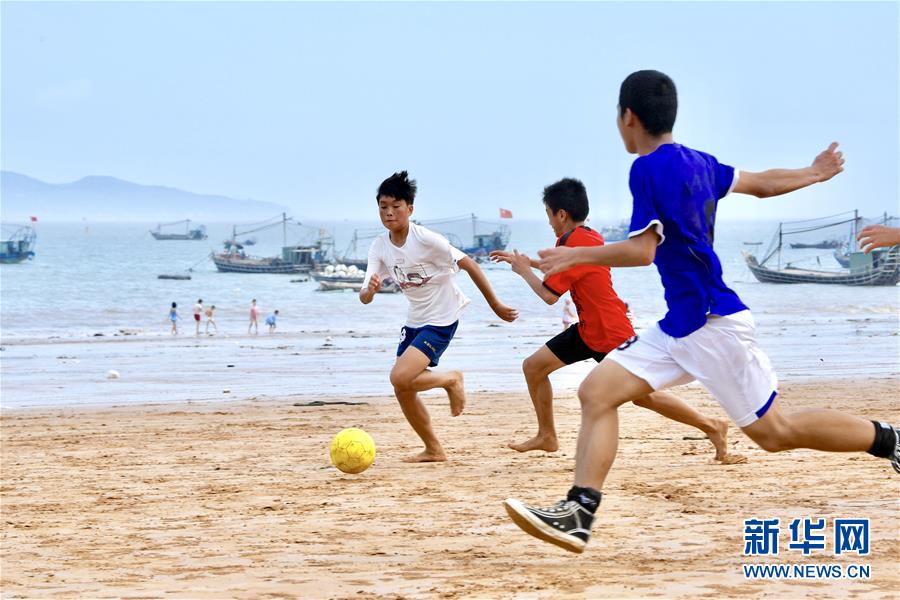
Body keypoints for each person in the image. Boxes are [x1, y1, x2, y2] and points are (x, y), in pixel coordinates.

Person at [503, 70, 899, 554]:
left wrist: (576, 255)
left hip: (712, 324)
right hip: (680, 323)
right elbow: (761, 185)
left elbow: (642, 250)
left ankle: (890, 440)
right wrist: (813, 172)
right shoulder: (699, 162)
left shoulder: (646, 169)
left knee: (776, 433)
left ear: (628, 117)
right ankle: (579, 512)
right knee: (597, 392)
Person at [491, 178, 732, 459]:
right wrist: (524, 261)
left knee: (643, 396)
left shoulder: (573, 243)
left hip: (609, 332)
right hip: (588, 330)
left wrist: (523, 271)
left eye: (548, 215)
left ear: (561, 214)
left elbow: (549, 296)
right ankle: (547, 436)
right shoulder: (586, 236)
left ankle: (713, 426)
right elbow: (564, 267)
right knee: (534, 368)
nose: (549, 222)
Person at [360, 171, 518, 462]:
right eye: (383, 207)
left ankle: (451, 379)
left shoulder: (427, 239)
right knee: (402, 389)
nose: (389, 213)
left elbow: (469, 264)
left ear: (410, 208)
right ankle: (434, 448)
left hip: (442, 317)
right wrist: (370, 290)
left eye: (396, 206)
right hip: (415, 320)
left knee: (399, 376)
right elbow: (365, 296)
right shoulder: (379, 246)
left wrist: (495, 304)